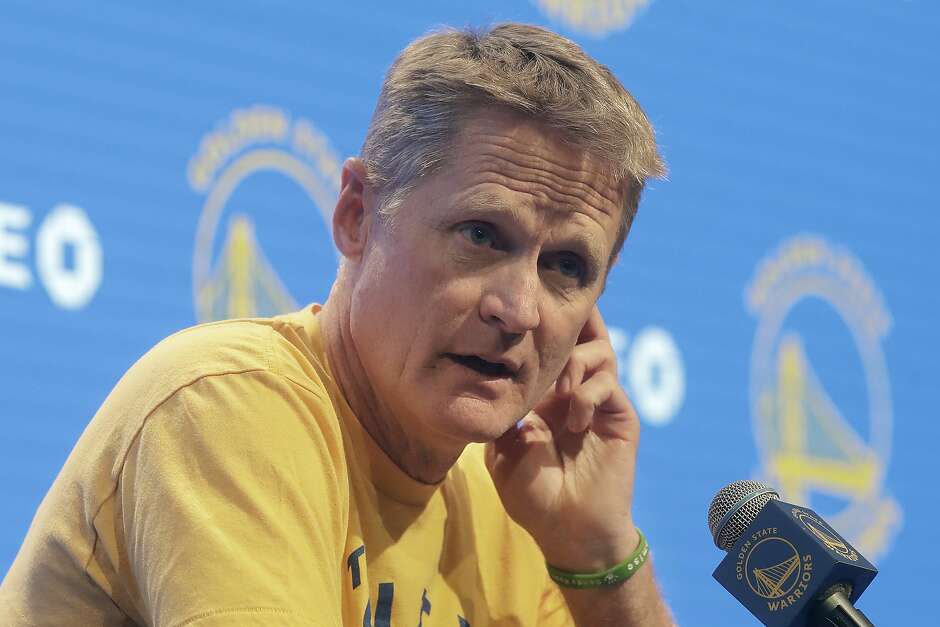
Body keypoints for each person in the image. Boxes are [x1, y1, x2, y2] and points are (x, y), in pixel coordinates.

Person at [1, 23, 674, 626]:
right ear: (356, 215)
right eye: (481, 234)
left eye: (566, 266)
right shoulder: (228, 406)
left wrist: (599, 554)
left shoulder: (515, 504)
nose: (520, 309)